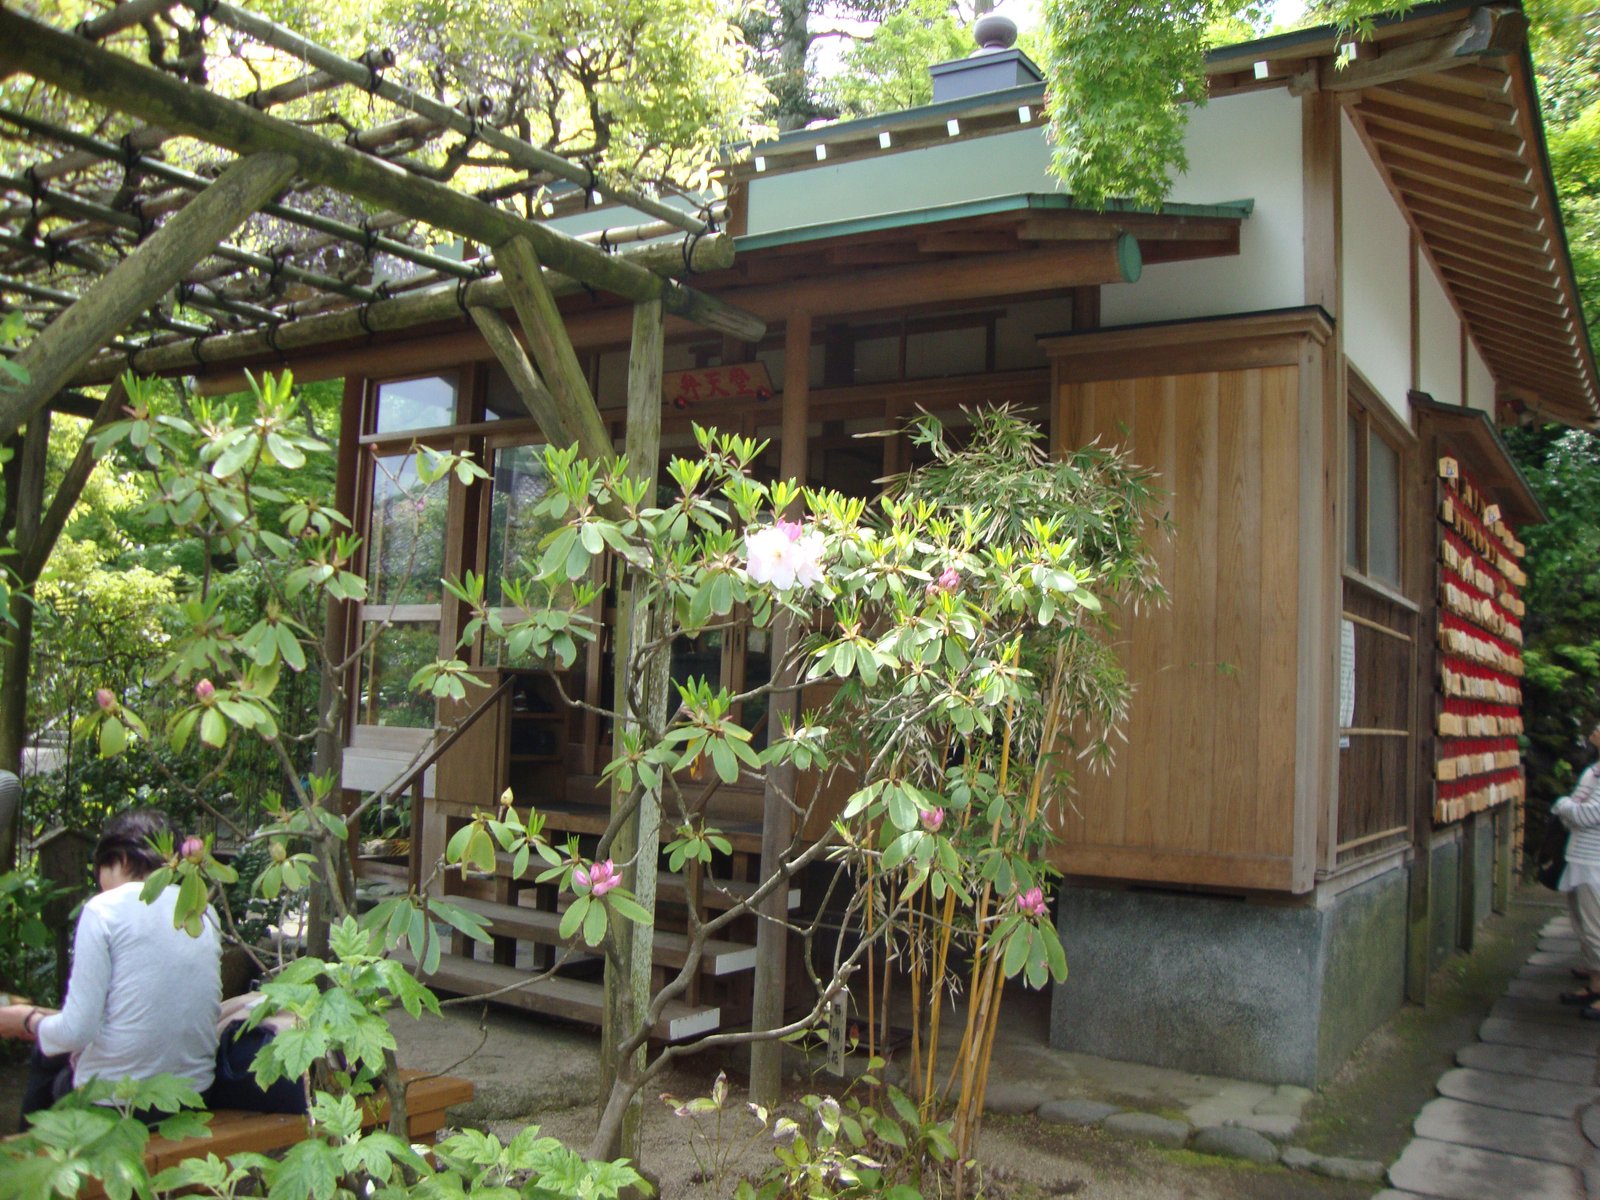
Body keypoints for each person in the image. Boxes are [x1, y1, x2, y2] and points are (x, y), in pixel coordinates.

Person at [0, 808, 221, 1120]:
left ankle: (31, 1157)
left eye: (101, 868)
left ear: (123, 859)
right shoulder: (203, 910)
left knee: (47, 1056)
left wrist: (27, 1021)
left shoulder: (105, 910)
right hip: (195, 1094)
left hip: (118, 1104)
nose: (100, 882)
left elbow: (77, 1032)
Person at [1555, 724, 1600, 1019]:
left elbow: (1589, 814)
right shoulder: (1595, 769)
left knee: (1596, 930)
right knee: (1584, 926)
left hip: (1595, 860)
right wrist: (1571, 809)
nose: (1595, 729)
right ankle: (1595, 986)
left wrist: (1562, 805)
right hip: (1582, 855)